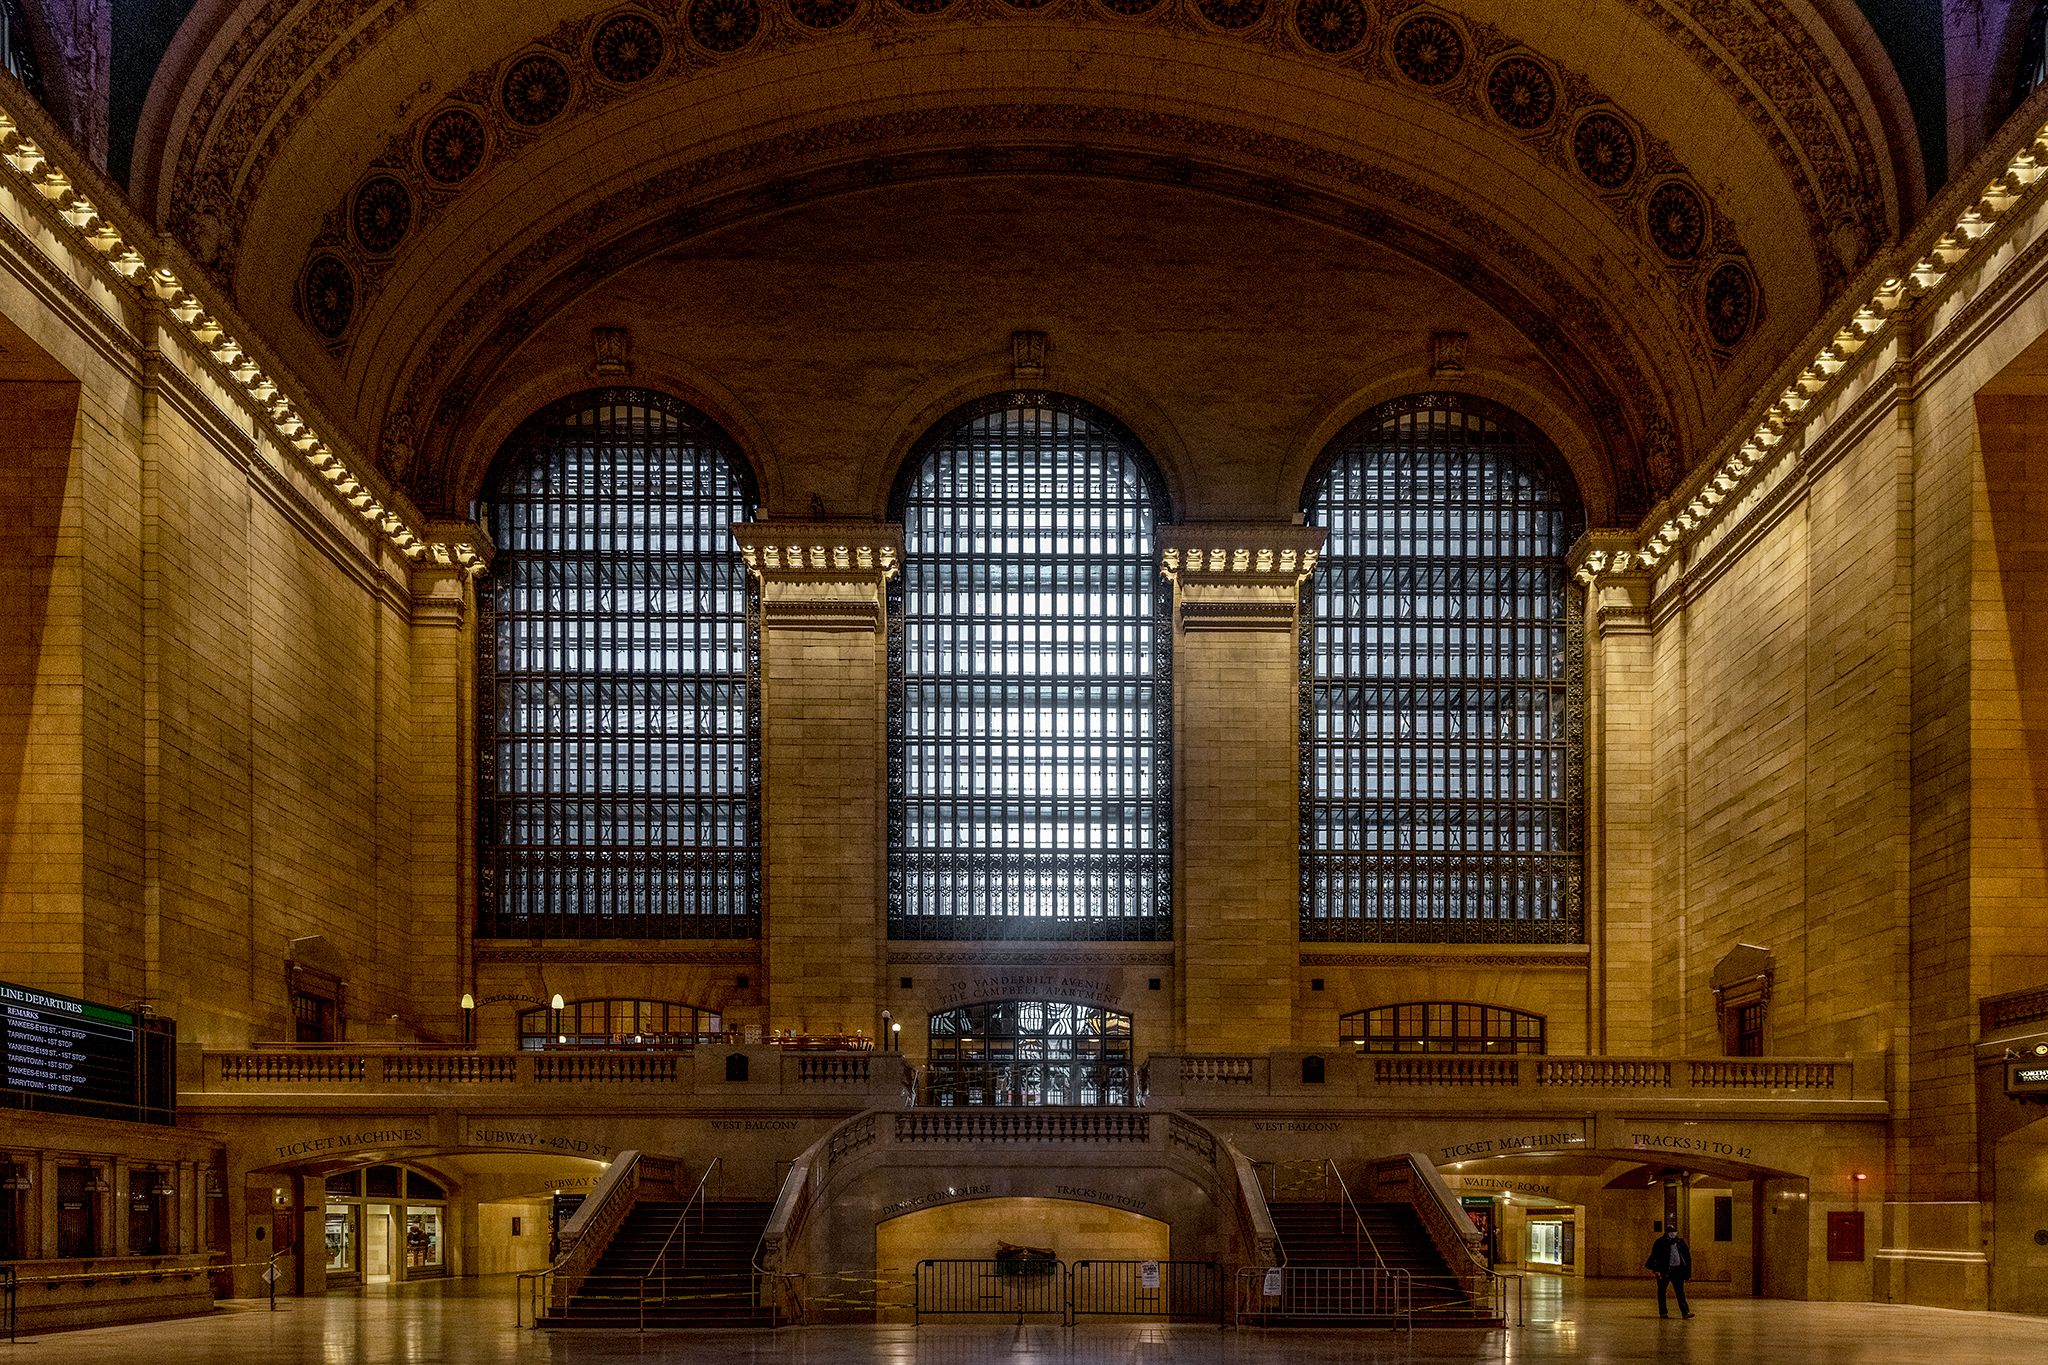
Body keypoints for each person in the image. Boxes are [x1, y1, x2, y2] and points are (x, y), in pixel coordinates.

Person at [1644, 1222, 1694, 1318]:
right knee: (1662, 1291)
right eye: (1671, 1232)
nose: (1673, 1233)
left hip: (1678, 1271)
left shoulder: (1680, 1242)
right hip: (1664, 1271)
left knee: (1680, 1292)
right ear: (1666, 1232)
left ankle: (1685, 1312)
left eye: (1674, 1231)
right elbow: (1654, 1257)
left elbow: (1687, 1259)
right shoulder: (1659, 1242)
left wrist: (1687, 1274)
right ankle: (1663, 1312)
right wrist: (1656, 1270)